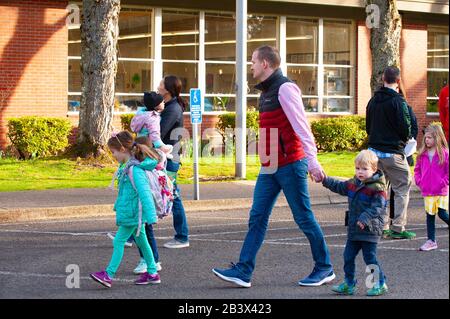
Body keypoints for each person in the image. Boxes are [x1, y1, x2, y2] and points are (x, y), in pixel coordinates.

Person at [212, 45, 334, 288]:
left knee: (303, 217)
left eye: (253, 61)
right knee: (257, 217)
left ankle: (324, 268)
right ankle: (243, 271)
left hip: (291, 164)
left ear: (265, 63)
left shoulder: (285, 89)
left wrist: (313, 161)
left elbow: (301, 127)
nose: (251, 66)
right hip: (270, 167)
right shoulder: (265, 92)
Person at [90, 131, 161, 288]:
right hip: (133, 212)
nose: (113, 155)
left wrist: (151, 215)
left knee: (119, 240)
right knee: (142, 241)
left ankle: (109, 274)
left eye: (113, 152)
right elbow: (125, 192)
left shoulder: (134, 170)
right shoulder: (127, 167)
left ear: (122, 149)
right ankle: (152, 272)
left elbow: (144, 193)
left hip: (134, 213)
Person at [322, 150, 388, 296]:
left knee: (369, 257)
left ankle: (378, 284)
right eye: (358, 168)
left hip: (370, 230)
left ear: (374, 169)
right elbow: (339, 186)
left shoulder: (377, 188)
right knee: (348, 256)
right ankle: (349, 283)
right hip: (354, 229)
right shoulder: (353, 184)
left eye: (365, 169)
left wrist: (365, 218)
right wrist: (324, 180)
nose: (360, 172)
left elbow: (378, 207)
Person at [366, 66, 415, 240]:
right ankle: (398, 227)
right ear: (398, 81)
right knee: (402, 188)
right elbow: (406, 127)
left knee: (381, 189)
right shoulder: (399, 102)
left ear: (382, 79)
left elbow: (368, 127)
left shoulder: (372, 101)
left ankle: (383, 225)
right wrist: (404, 140)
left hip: (374, 153)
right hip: (393, 152)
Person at [158, 75, 190, 249]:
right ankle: (131, 235)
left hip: (169, 159)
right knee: (146, 193)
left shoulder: (172, 109)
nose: (158, 86)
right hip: (167, 157)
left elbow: (160, 133)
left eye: (161, 84)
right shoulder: (169, 106)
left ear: (168, 90)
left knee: (173, 196)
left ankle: (182, 236)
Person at [132, 136, 164, 274]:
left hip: (142, 204)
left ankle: (149, 260)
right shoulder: (152, 161)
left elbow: (144, 190)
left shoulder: (142, 165)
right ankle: (152, 260)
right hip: (144, 204)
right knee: (144, 233)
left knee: (143, 233)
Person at [414, 123, 449, 251]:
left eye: (430, 137)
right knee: (430, 215)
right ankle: (431, 241)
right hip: (427, 190)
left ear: (437, 138)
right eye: (426, 137)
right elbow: (417, 170)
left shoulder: (444, 153)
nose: (427, 140)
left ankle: (431, 240)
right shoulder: (422, 154)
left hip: (441, 190)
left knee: (442, 213)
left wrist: (443, 182)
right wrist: (419, 181)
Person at [389, 82, 419, 224]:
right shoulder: (389, 106)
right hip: (394, 151)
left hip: (401, 151)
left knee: (398, 188)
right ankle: (394, 220)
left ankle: (395, 218)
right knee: (392, 187)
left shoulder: (406, 107)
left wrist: (407, 140)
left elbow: (413, 128)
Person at [131, 91, 173, 158]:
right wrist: (162, 146)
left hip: (140, 144)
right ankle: (163, 153)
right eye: (162, 102)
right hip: (149, 147)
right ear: (156, 105)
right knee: (156, 163)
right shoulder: (152, 118)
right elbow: (154, 135)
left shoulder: (142, 115)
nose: (164, 102)